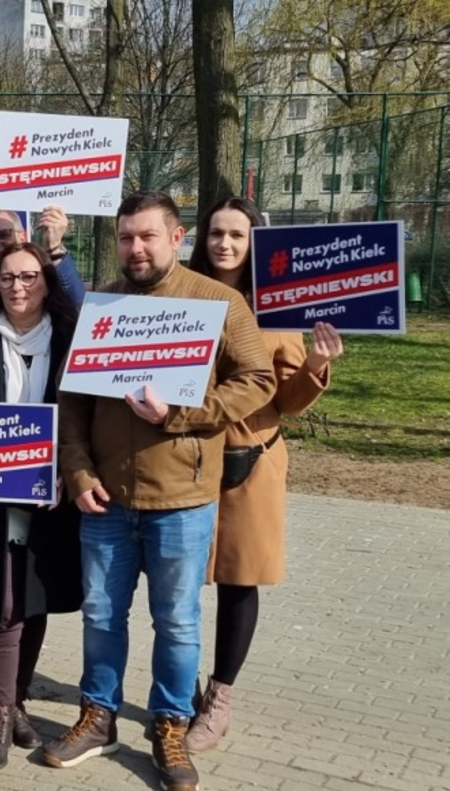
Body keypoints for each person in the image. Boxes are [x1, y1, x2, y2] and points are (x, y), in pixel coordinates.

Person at [43, 191, 276, 791]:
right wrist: (78, 471)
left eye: (148, 236)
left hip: (183, 497)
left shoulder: (218, 301)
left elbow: (258, 380)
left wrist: (183, 412)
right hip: (106, 498)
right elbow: (72, 400)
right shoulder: (102, 304)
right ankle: (98, 716)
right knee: (101, 614)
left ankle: (171, 724)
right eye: (126, 238)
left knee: (176, 621)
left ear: (177, 237)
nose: (136, 248)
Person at [184, 197, 342, 752]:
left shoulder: (276, 308)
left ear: (255, 243)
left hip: (251, 460)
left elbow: (290, 400)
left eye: (237, 235)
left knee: (238, 578)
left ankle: (219, 698)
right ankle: (179, 692)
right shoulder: (183, 296)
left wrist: (316, 365)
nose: (224, 244)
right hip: (185, 458)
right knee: (179, 583)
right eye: (216, 233)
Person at [0, 243, 83, 770]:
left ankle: (18, 700)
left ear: (47, 282)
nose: (18, 287)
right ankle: (0, 716)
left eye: (29, 277)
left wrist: (69, 469)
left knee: (32, 601)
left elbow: (88, 416)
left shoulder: (72, 342)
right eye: (7, 278)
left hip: (51, 497)